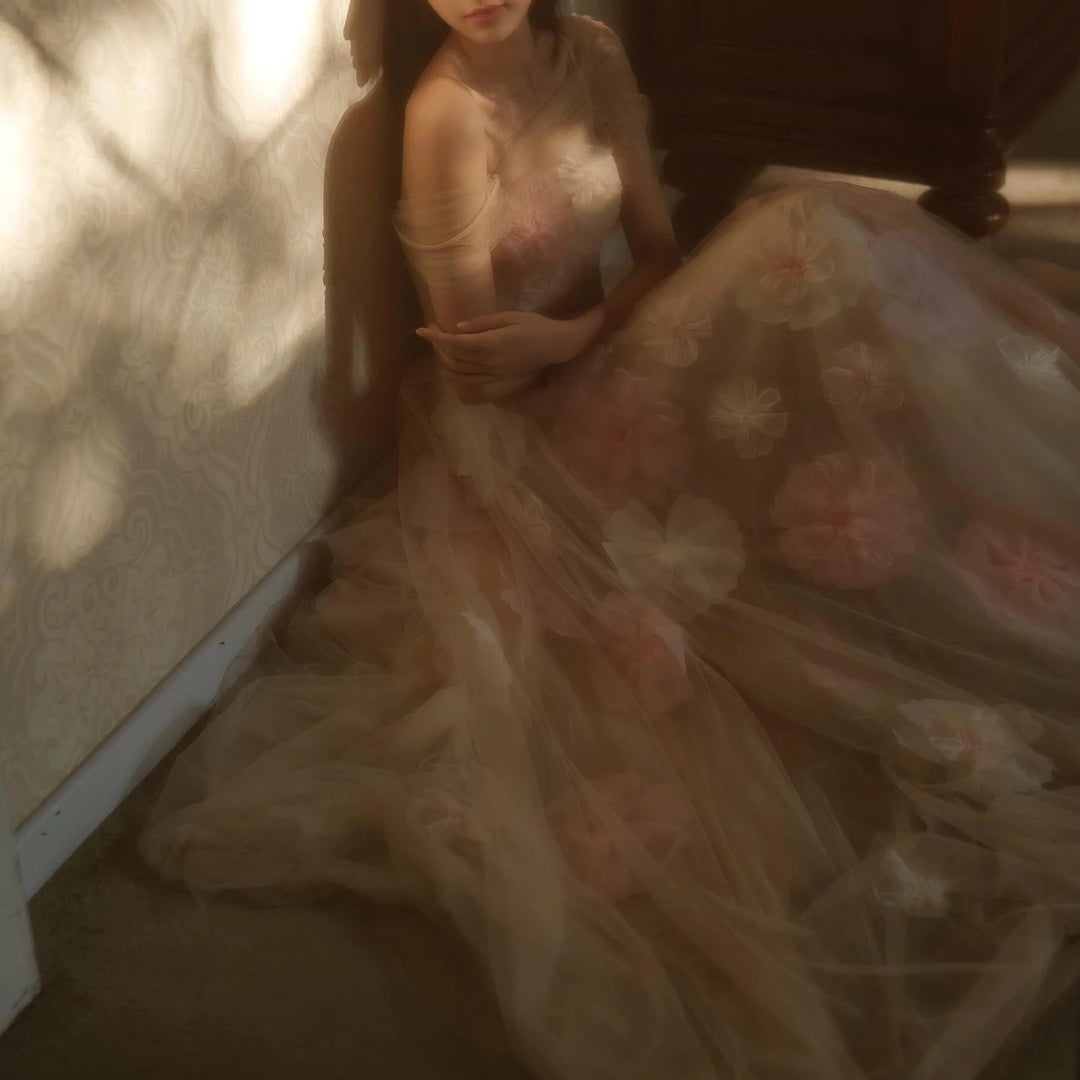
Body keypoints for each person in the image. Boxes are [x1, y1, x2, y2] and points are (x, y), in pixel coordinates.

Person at [141, 2, 1080, 1078]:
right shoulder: (443, 116)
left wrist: (582, 330)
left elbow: (661, 257)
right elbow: (481, 371)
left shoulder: (586, 46)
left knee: (813, 228)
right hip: (529, 429)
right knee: (794, 248)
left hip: (604, 351)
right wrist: (581, 345)